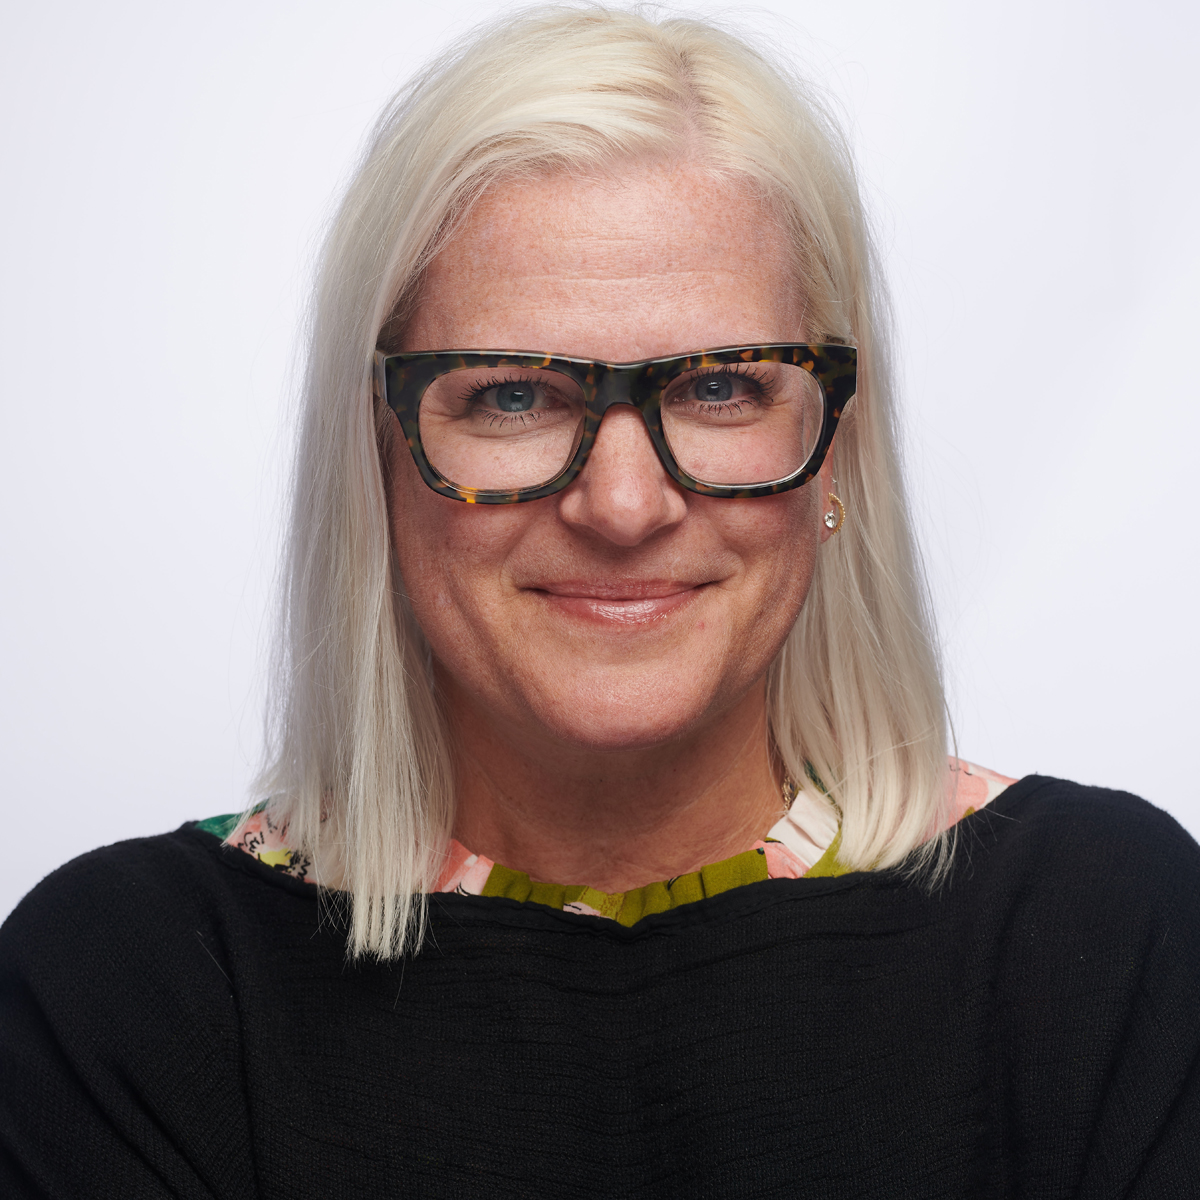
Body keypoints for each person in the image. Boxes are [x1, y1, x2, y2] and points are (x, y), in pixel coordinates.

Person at [2, 7, 1198, 1197]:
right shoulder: (122, 992)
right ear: (376, 455)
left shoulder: (1109, 936)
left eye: (721, 386)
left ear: (835, 447)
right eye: (514, 397)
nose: (624, 507)